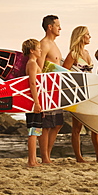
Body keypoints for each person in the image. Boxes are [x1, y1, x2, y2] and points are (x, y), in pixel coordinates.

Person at [63, 26, 98, 162]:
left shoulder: (88, 53)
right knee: (77, 127)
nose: (90, 37)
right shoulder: (73, 54)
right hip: (77, 93)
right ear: (81, 36)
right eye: (87, 34)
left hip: (89, 92)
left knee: (94, 125)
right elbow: (63, 72)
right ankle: (78, 157)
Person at [36, 15, 64, 164]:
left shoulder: (54, 45)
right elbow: (39, 68)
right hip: (46, 89)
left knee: (58, 124)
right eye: (58, 25)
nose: (60, 28)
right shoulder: (44, 44)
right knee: (46, 126)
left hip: (56, 89)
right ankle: (45, 158)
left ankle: (48, 154)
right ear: (50, 27)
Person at [22, 39, 43, 167]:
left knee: (35, 131)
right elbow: (32, 83)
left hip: (36, 100)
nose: (40, 50)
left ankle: (34, 159)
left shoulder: (32, 63)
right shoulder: (32, 64)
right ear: (32, 50)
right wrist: (36, 102)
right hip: (32, 101)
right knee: (33, 132)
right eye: (38, 48)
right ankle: (31, 161)